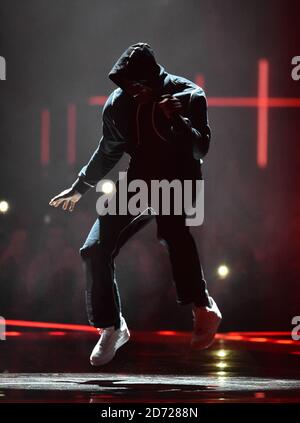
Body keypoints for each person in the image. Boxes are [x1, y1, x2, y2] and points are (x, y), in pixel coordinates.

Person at [49, 42, 222, 366]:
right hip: (140, 179)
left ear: (153, 80)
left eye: (138, 86)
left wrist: (178, 122)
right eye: (127, 86)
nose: (133, 92)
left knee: (172, 232)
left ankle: (204, 307)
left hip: (179, 178)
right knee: (94, 247)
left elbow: (200, 149)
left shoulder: (189, 95)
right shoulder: (119, 105)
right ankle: (112, 326)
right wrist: (79, 187)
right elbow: (108, 151)